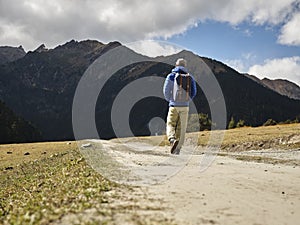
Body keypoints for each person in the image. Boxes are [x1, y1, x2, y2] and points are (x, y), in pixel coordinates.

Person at [163, 58, 197, 154]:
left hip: (173, 105)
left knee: (170, 124)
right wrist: (187, 101)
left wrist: (170, 100)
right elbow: (194, 92)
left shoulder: (171, 76)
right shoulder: (190, 77)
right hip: (185, 106)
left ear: (176, 65)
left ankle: (172, 140)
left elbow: (165, 91)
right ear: (185, 66)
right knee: (181, 127)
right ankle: (178, 148)